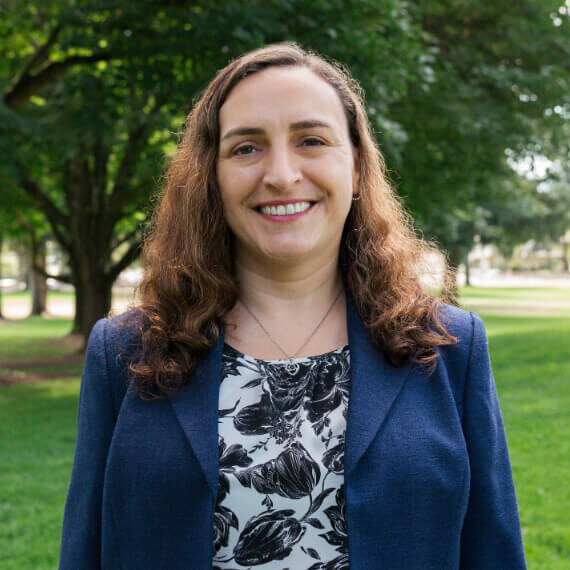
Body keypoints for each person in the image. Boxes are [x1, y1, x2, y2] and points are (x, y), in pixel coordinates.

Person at [59, 43, 526, 570]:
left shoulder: (450, 348)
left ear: (355, 170)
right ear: (211, 178)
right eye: (246, 148)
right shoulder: (126, 352)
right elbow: (84, 553)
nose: (281, 174)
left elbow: (495, 553)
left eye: (311, 140)